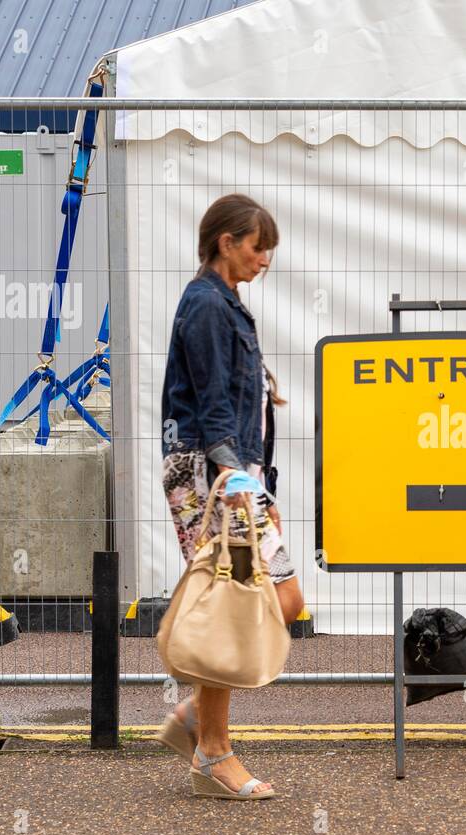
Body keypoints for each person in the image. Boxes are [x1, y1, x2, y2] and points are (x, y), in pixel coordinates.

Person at [154, 193, 305, 800]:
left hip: (235, 473)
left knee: (280, 597)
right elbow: (214, 400)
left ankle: (195, 718)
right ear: (226, 242)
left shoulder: (226, 304)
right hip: (212, 474)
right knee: (235, 599)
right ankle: (213, 752)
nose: (264, 258)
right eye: (256, 246)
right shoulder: (208, 305)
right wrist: (237, 480)